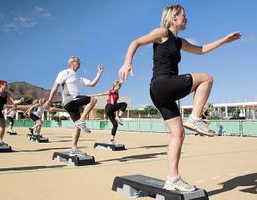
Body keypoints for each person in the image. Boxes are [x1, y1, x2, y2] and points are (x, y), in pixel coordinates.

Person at [118, 4, 241, 192]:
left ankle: (172, 178)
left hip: (161, 93)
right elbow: (135, 42)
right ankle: (195, 118)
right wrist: (127, 62)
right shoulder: (162, 32)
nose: (186, 19)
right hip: (162, 84)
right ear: (174, 17)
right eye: (184, 16)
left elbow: (200, 50)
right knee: (206, 78)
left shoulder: (179, 41)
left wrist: (224, 40)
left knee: (178, 134)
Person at [45, 56, 103, 156]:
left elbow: (92, 84)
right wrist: (49, 100)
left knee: (77, 126)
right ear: (72, 63)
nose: (80, 64)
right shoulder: (65, 72)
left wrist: (99, 73)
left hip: (74, 103)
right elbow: (55, 86)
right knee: (93, 99)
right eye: (78, 62)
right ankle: (82, 120)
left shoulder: (79, 78)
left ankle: (74, 148)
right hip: (69, 100)